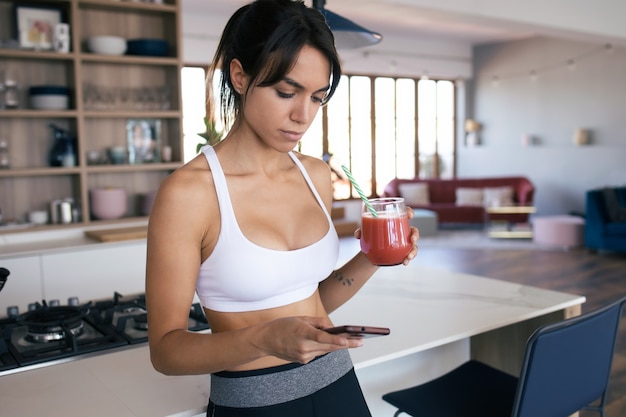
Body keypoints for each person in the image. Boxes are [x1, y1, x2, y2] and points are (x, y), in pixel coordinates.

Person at [145, 1, 420, 416]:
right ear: (239, 76)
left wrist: (372, 257)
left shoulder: (315, 175)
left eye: (317, 98)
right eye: (286, 92)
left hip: (339, 384)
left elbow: (312, 302)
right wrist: (263, 339)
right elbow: (166, 351)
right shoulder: (189, 194)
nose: (302, 116)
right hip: (254, 402)